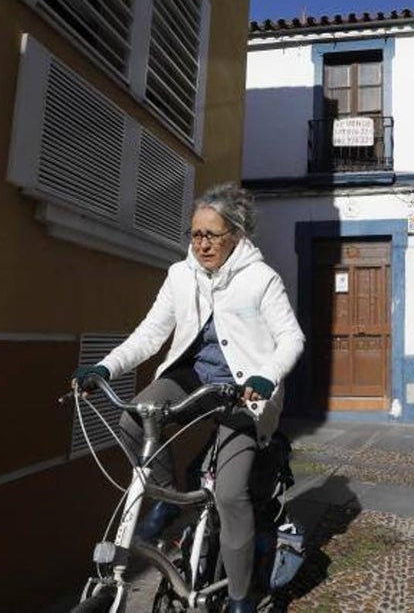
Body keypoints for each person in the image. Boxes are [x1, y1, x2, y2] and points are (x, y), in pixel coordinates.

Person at [73, 183, 304, 613]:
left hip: (243, 393)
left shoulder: (261, 279)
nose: (201, 244)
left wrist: (266, 376)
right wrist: (106, 367)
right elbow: (150, 333)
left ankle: (239, 599)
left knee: (231, 494)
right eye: (195, 234)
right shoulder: (180, 275)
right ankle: (165, 500)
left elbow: (291, 338)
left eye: (210, 235)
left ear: (234, 234)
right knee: (132, 419)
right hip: (192, 379)